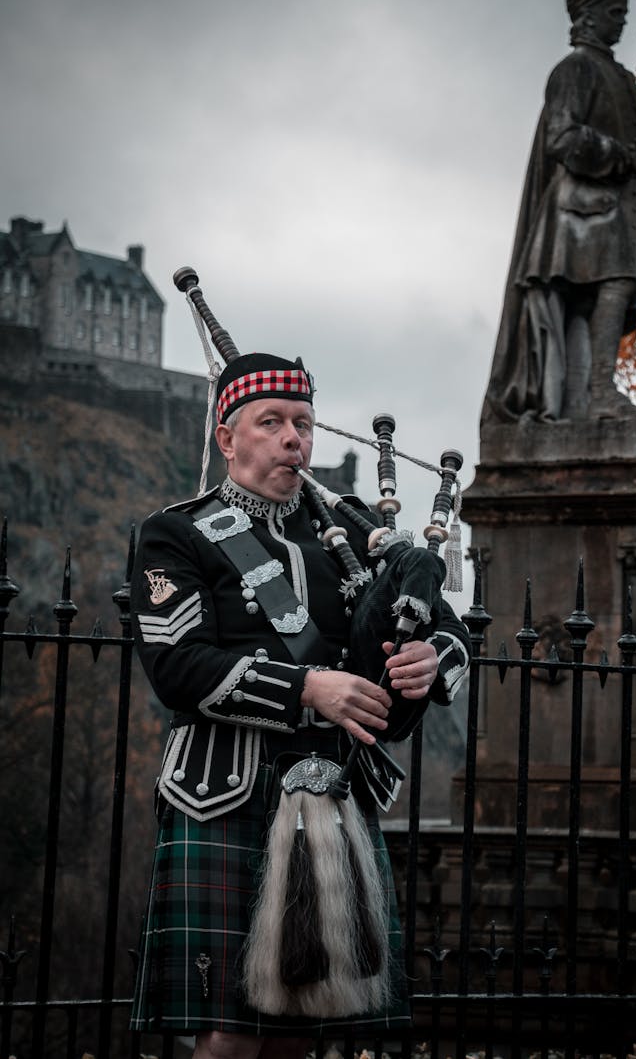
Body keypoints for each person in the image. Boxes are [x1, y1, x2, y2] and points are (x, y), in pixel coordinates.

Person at [129, 351, 471, 1059]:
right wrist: (306, 688)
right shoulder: (178, 532)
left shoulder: (344, 539)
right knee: (228, 1035)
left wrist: (430, 657)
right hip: (223, 792)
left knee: (301, 1033)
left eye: (305, 424)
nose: (295, 439)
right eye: (273, 422)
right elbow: (177, 665)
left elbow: (451, 629)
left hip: (333, 790)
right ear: (228, 438)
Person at [481, 0, 636, 428]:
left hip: (608, 210)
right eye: (614, 12)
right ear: (589, 15)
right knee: (611, 285)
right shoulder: (575, 69)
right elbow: (561, 137)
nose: (622, 22)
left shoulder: (618, 76)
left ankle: (592, 393)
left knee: (607, 293)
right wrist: (621, 154)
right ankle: (597, 392)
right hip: (579, 211)